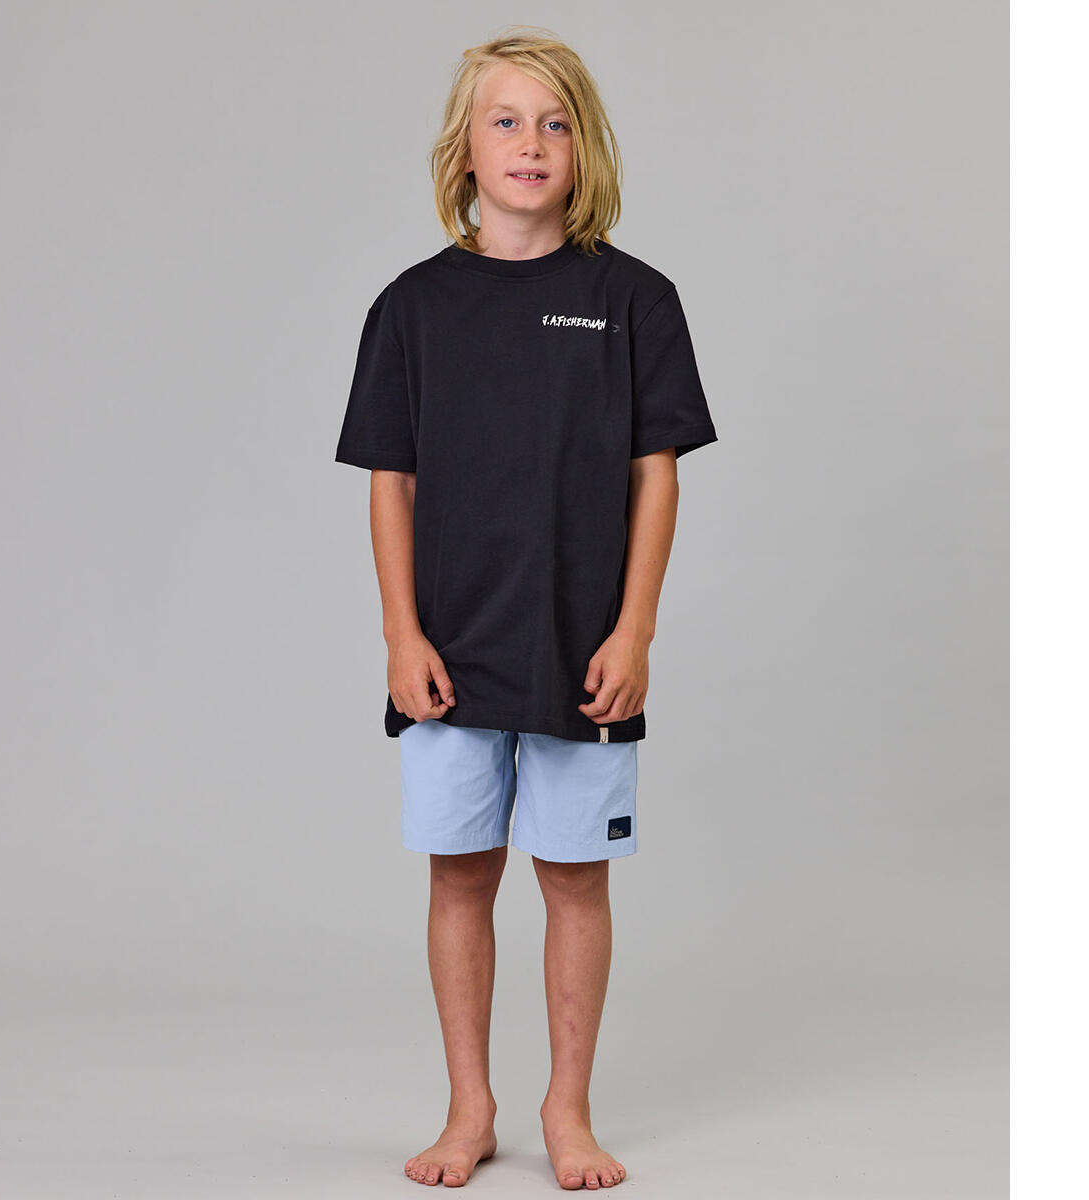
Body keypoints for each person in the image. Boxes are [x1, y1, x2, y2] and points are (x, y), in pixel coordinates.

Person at [334, 26, 718, 1190]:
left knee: (574, 879)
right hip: (449, 654)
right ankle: (470, 1108)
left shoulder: (634, 300)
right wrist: (401, 634)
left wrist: (635, 631)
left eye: (555, 123)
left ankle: (567, 1109)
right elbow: (390, 482)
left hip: (582, 652)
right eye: (506, 120)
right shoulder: (412, 307)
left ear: (584, 147)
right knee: (460, 874)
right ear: (465, 148)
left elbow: (658, 476)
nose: (531, 142)